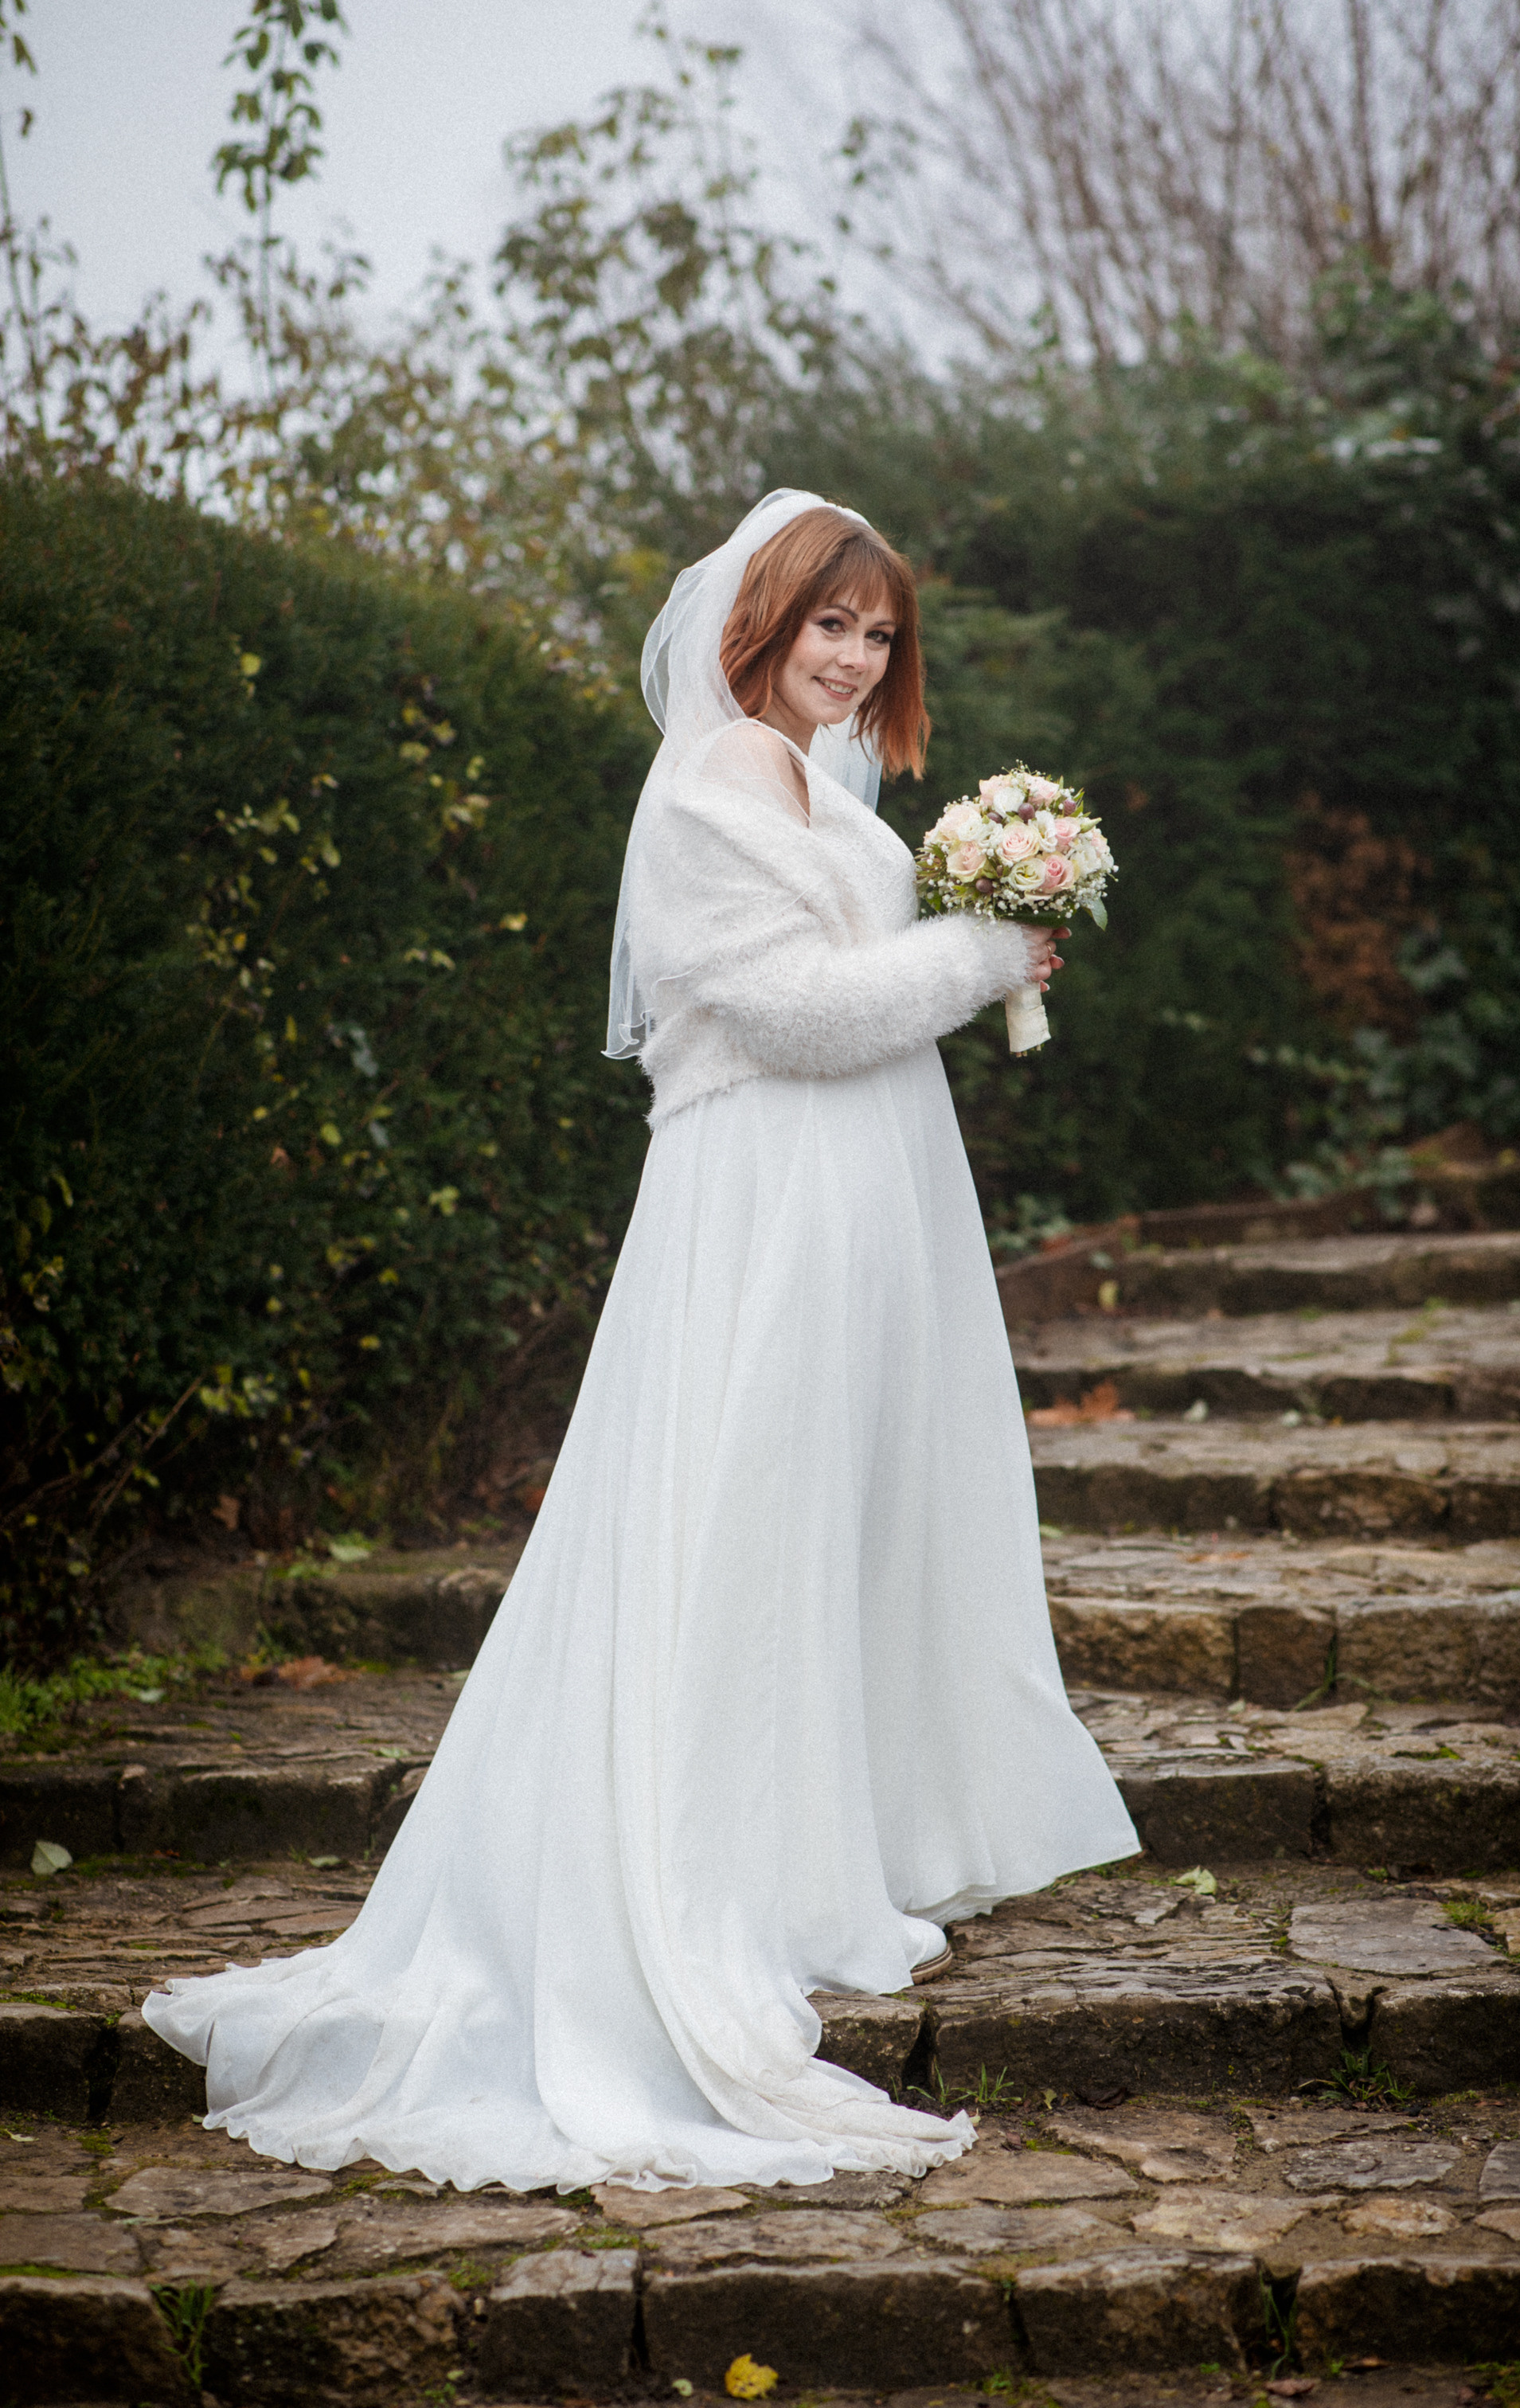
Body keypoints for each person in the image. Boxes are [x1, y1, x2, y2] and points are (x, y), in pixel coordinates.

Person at [143, 488, 1139, 2195]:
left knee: (844, 1513)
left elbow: (859, 980)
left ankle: (826, 1853)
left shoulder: (822, 783)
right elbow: (786, 1008)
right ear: (759, 622)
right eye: (829, 624)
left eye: (880, 633)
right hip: (768, 1199)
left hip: (871, 1192)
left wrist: (975, 947)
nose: (855, 655)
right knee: (738, 1519)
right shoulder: (700, 793)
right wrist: (973, 957)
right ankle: (705, 1877)